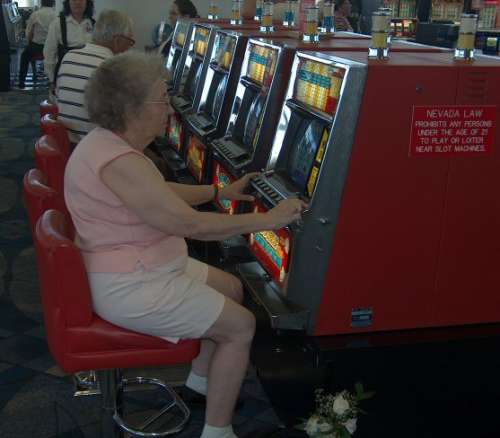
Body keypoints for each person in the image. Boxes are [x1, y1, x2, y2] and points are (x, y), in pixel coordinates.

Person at [64, 52, 306, 438]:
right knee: (240, 327)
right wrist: (269, 219)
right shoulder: (119, 162)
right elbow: (189, 224)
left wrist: (217, 190)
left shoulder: (107, 144)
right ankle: (218, 430)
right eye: (162, 98)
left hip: (142, 263)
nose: (171, 108)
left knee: (231, 288)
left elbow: (157, 193)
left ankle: (200, 384)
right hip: (130, 283)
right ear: (131, 107)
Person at [56, 9, 134, 145]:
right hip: (92, 150)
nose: (130, 47)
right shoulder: (115, 69)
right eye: (130, 42)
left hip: (65, 142)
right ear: (117, 40)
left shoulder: (68, 56)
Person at [43, 0, 95, 92]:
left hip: (89, 77)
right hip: (65, 76)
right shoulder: (57, 24)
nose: (77, 2)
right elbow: (49, 54)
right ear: (68, 2)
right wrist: (52, 80)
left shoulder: (93, 24)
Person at [18, 0, 56, 89]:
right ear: (53, 3)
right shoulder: (56, 15)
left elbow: (28, 34)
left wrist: (29, 42)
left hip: (36, 48)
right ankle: (53, 81)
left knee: (24, 56)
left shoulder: (35, 15)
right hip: (51, 49)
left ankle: (21, 82)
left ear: (41, 3)